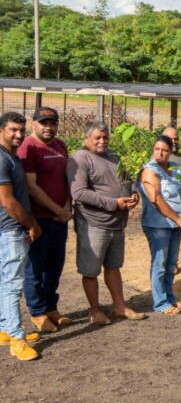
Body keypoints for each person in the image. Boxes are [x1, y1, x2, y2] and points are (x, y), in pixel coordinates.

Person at [66, 121, 145, 326]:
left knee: (113, 266)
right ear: (87, 138)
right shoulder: (80, 159)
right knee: (91, 270)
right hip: (93, 224)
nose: (102, 141)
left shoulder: (113, 157)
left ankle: (119, 306)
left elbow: (128, 180)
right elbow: (79, 193)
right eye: (97, 138)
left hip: (116, 223)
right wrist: (113, 203)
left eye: (105, 137)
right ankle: (95, 310)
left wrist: (134, 193)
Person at [16, 107, 71, 334]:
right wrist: (57, 209)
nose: (48, 127)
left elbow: (66, 179)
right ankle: (37, 312)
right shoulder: (28, 147)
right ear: (34, 124)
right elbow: (31, 186)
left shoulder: (60, 146)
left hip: (60, 218)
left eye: (52, 122)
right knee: (35, 268)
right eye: (43, 122)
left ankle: (50, 307)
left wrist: (67, 206)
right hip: (39, 219)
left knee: (55, 266)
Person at [0, 112, 42, 360]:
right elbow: (7, 202)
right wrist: (32, 224)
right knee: (13, 286)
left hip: (8, 230)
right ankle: (17, 339)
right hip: (11, 230)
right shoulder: (2, 159)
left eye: (21, 130)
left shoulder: (11, 157)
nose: (18, 134)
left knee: (5, 282)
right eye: (13, 130)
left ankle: (5, 329)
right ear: (1, 131)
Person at [139, 135, 181, 315]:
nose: (159, 153)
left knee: (171, 263)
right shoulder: (150, 170)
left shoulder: (177, 168)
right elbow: (156, 199)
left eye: (164, 150)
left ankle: (170, 297)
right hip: (158, 225)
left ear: (171, 152)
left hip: (176, 224)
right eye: (157, 149)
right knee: (160, 264)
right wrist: (178, 219)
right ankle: (160, 303)